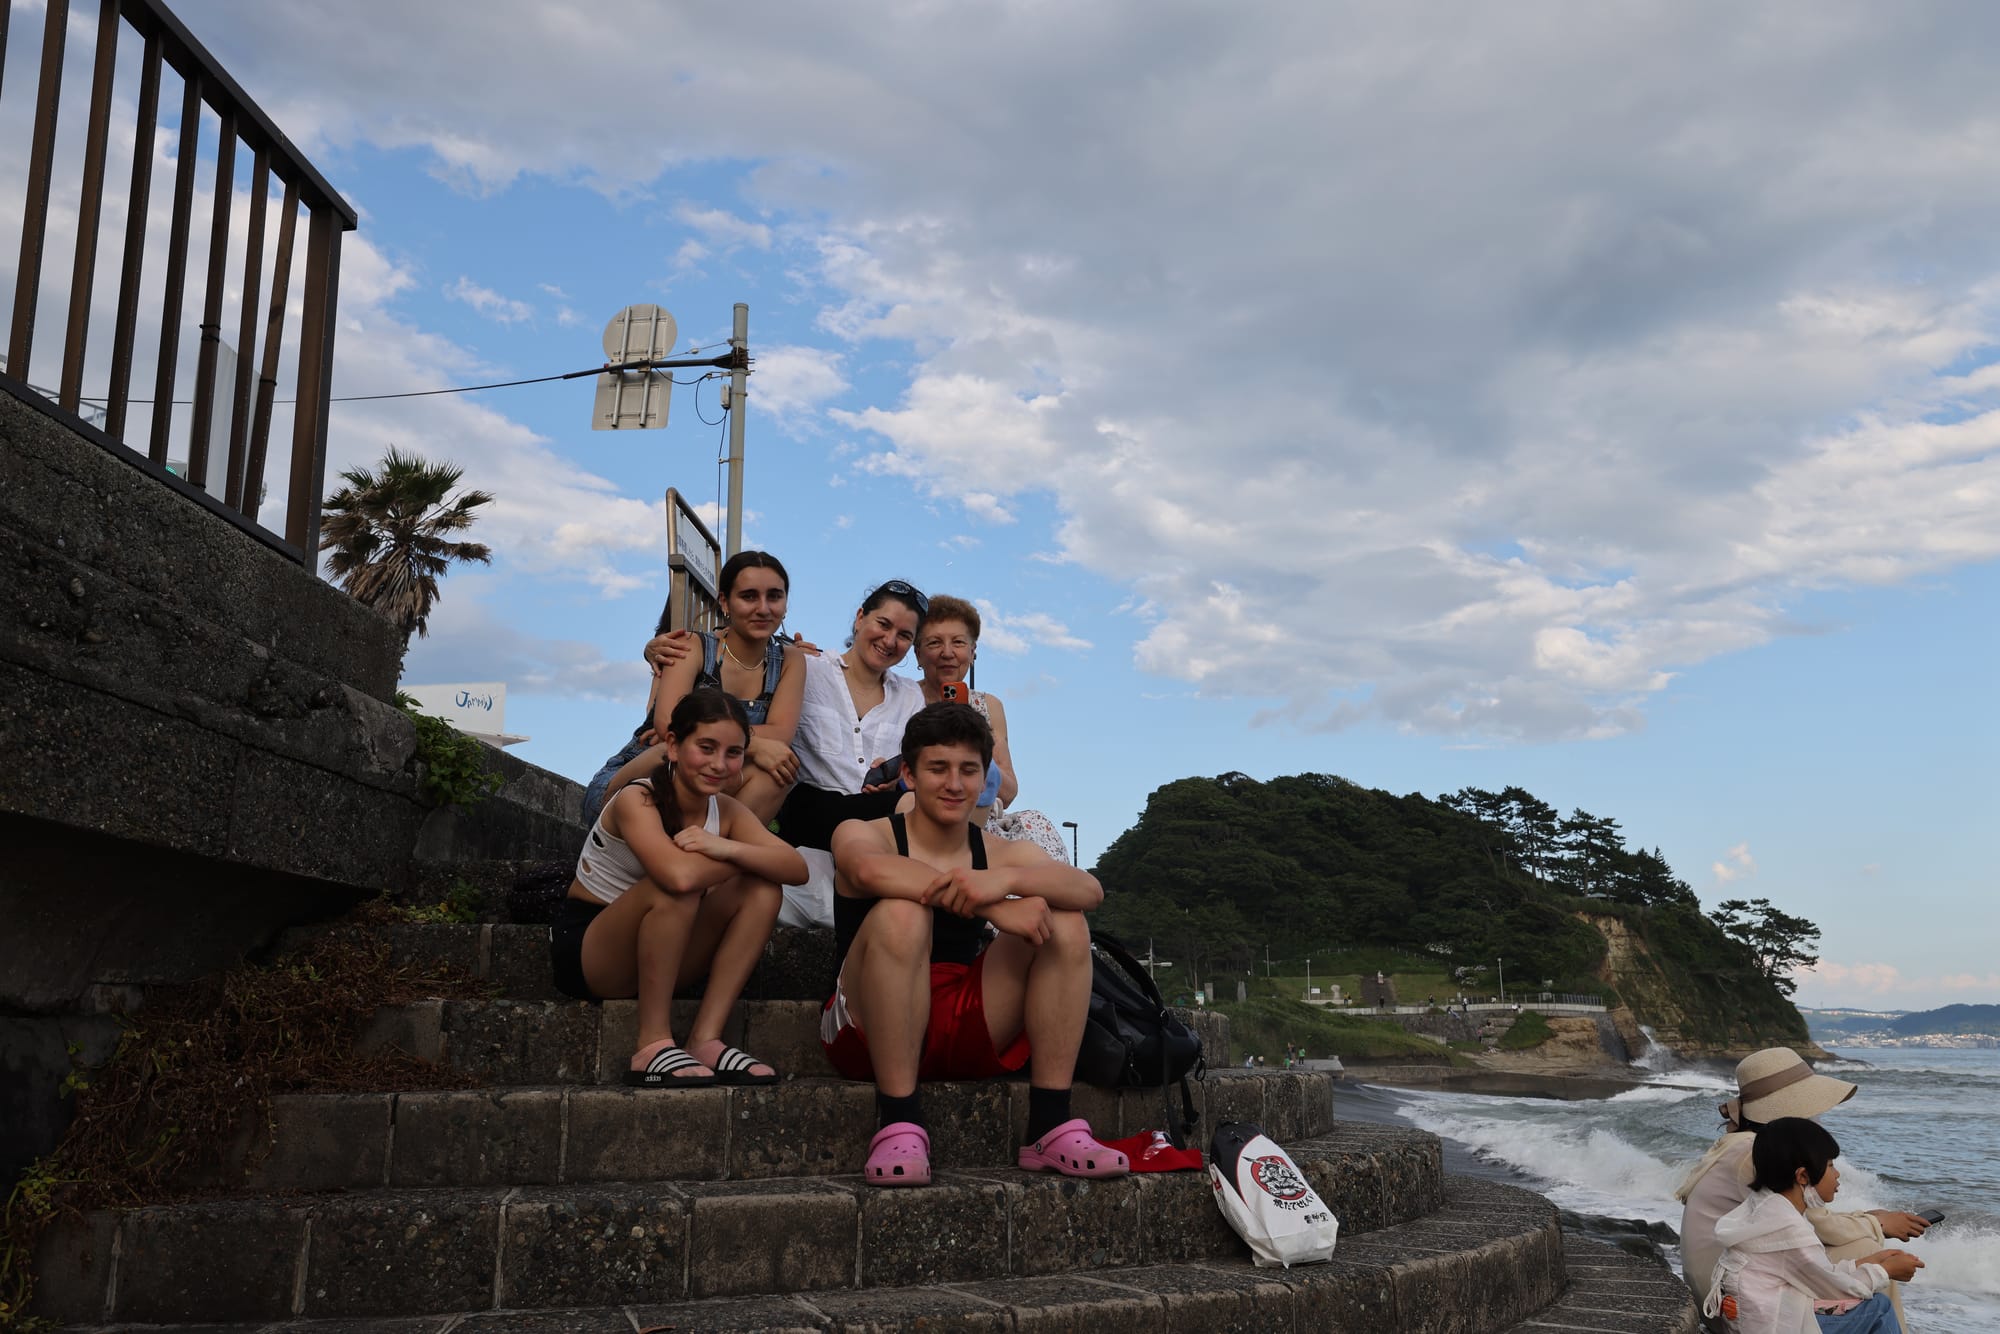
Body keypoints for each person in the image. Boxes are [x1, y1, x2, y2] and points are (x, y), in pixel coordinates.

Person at [824, 702, 1127, 1187]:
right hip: (865, 1025)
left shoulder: (998, 851)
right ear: (908, 775)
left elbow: (1088, 890)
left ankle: (1049, 1125)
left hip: (964, 1017)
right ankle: (898, 1120)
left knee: (1065, 919)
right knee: (903, 912)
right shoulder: (866, 833)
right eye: (937, 768)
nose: (954, 784)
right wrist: (994, 906)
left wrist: (1005, 880)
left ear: (985, 777)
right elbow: (866, 870)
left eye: (968, 770)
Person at [549, 689, 809, 1085]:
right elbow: (678, 877)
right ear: (673, 745)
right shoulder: (638, 798)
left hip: (664, 949)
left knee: (763, 890)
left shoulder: (727, 811)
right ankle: (652, 1044)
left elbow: (795, 867)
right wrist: (742, 858)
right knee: (677, 888)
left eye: (733, 753)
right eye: (706, 747)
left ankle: (706, 1039)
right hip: (593, 952)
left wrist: (726, 847)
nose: (719, 764)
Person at [1677, 1049, 1930, 1330]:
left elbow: (1807, 1223)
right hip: (1741, 1308)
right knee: (1867, 1255)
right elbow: (1820, 1229)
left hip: (1725, 1290)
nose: (1817, 1115)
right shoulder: (1757, 1155)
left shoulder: (1747, 1144)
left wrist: (1869, 1222)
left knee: (1864, 1257)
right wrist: (1878, 1228)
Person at [581, 551, 806, 825]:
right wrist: (756, 745)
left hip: (712, 790)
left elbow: (781, 734)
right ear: (725, 601)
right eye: (748, 596)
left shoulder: (790, 660)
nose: (763, 608)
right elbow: (669, 723)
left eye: (774, 596)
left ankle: (711, 846)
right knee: (671, 751)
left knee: (779, 770)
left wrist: (700, 733)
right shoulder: (692, 646)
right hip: (640, 782)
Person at [770, 579, 932, 926]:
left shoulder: (910, 696)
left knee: (915, 806)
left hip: (875, 817)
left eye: (904, 635)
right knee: (905, 812)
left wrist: (895, 778)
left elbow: (915, 763)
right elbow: (742, 662)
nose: (890, 641)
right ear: (860, 618)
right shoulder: (807, 667)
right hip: (813, 808)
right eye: (883, 624)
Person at [1702, 1117, 1920, 1333]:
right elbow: (1835, 1290)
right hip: (1771, 1327)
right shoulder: (1788, 1228)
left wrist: (1870, 1261)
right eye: (1830, 1165)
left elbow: (1822, 1274)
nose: (1837, 1174)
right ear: (1803, 1176)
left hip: (1754, 1319)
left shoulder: (1766, 1206)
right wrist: (1886, 1270)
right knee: (1879, 1309)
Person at [912, 595, 1070, 863]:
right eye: (934, 642)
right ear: (918, 653)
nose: (947, 653)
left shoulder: (988, 706)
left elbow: (1007, 792)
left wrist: (977, 750)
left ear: (972, 652)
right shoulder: (902, 698)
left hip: (981, 820)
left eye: (958, 642)